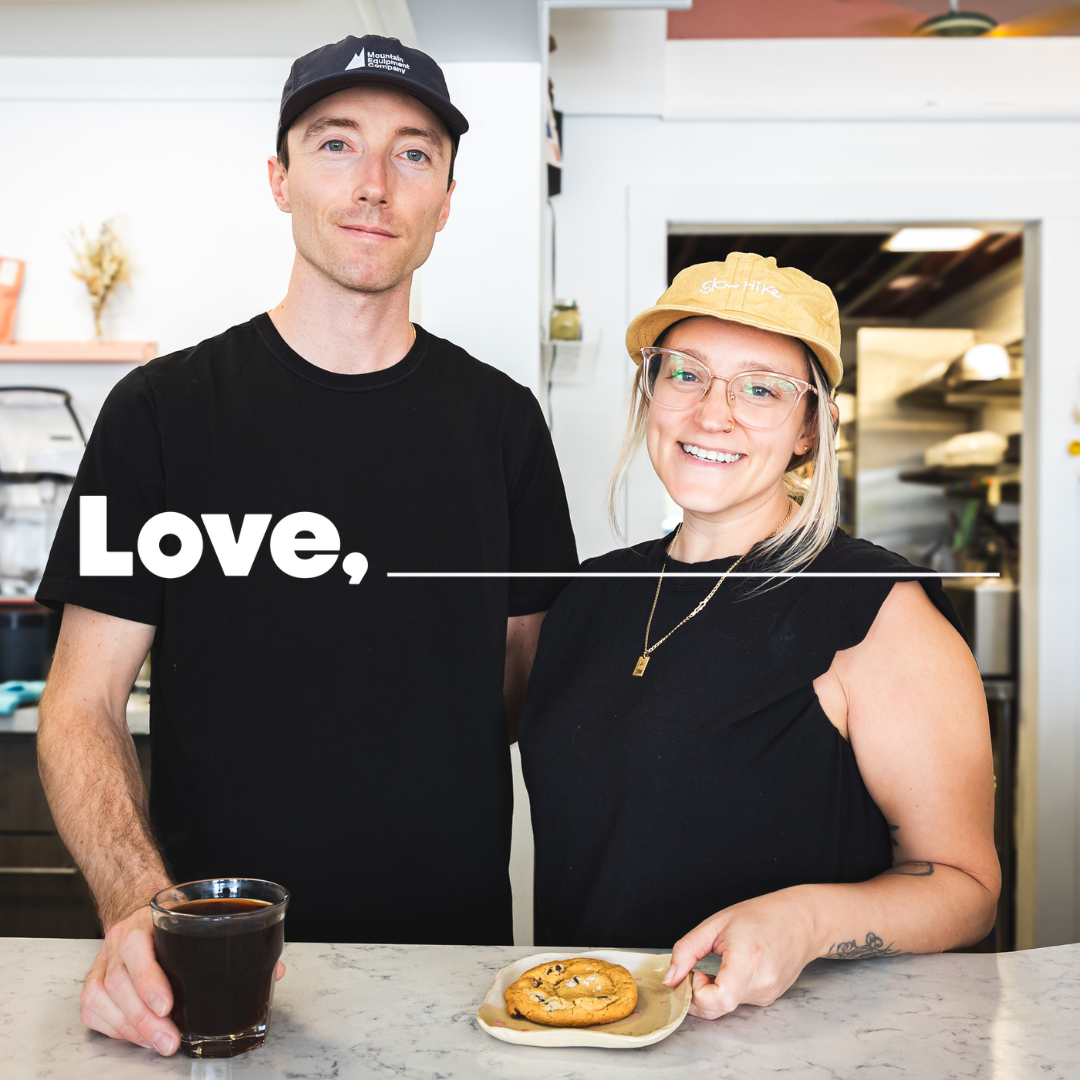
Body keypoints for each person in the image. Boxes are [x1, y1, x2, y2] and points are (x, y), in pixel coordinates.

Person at [35, 35, 577, 1056]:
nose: (374, 184)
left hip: (453, 972)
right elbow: (82, 701)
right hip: (211, 965)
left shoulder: (504, 426)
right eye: (337, 145)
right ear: (279, 180)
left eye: (413, 154)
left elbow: (524, 688)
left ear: (447, 199)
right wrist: (140, 908)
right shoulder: (158, 417)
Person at [518, 253, 999, 1021]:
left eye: (762, 390)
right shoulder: (587, 596)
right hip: (602, 1034)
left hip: (804, 1047)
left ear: (810, 429)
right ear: (650, 395)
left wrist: (807, 921)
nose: (715, 413)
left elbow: (965, 889)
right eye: (686, 375)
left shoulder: (876, 610)